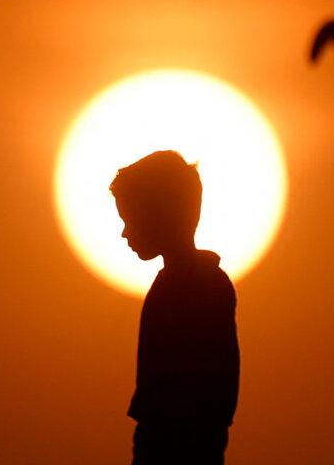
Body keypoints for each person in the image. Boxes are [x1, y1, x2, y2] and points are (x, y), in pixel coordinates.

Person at [109, 150, 240, 465]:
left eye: (130, 219)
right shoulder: (196, 284)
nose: (125, 232)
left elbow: (205, 390)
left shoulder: (189, 288)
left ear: (160, 215)